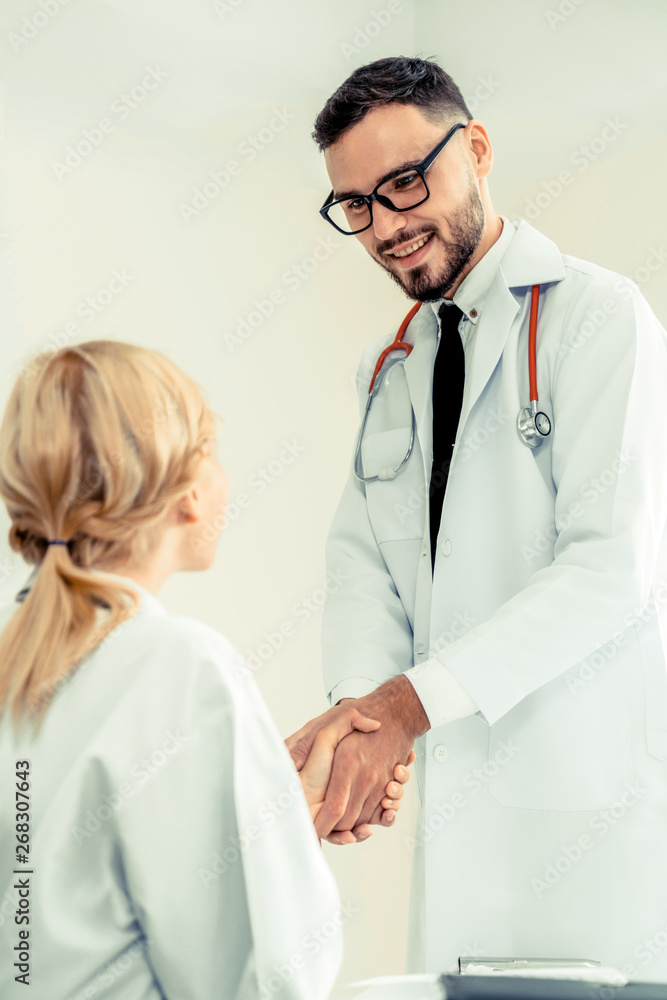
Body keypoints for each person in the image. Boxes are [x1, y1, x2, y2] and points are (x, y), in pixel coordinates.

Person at [286, 56, 667, 978]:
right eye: (356, 206)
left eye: (404, 182)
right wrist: (355, 727)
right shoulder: (397, 367)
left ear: (478, 149)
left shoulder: (596, 319)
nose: (385, 225)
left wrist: (403, 709)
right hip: (461, 824)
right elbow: (364, 565)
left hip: (593, 829)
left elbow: (607, 568)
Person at [0, 340, 411, 999]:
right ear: (187, 492)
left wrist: (266, 819)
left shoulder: (20, 664)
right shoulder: (178, 668)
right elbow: (265, 978)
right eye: (211, 447)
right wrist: (273, 849)